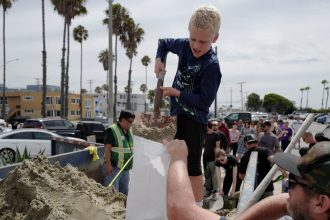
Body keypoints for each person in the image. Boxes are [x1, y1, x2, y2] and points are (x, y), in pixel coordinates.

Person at [154, 5, 221, 205]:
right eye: (193, 39)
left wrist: (176, 93)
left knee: (192, 167)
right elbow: (163, 42)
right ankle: (173, 202)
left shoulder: (212, 66)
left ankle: (197, 207)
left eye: (203, 41)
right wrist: (159, 58)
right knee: (172, 159)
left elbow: (203, 102)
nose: (196, 45)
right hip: (176, 116)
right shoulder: (184, 46)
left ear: (214, 39)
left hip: (194, 120)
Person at [236, 141, 330, 220]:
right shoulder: (311, 210)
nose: (288, 190)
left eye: (292, 182)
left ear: (321, 203)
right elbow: (283, 201)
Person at [103, 110, 135, 196]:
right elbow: (107, 149)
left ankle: (123, 209)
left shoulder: (129, 131)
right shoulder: (112, 130)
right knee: (112, 194)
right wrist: (108, 165)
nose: (131, 124)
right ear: (123, 120)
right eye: (130, 122)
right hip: (114, 169)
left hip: (125, 169)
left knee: (124, 194)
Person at [239, 134, 276, 199]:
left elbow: (241, 176)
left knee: (256, 207)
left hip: (253, 189)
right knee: (269, 207)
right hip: (267, 186)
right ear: (257, 142)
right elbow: (272, 159)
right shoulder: (265, 151)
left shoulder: (244, 157)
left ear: (246, 144)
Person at [203, 120, 221, 198]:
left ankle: (214, 191)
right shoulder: (204, 134)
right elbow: (204, 144)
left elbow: (218, 147)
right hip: (205, 157)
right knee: (207, 174)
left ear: (208, 126)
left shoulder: (216, 135)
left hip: (213, 157)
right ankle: (208, 189)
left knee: (214, 175)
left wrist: (217, 157)